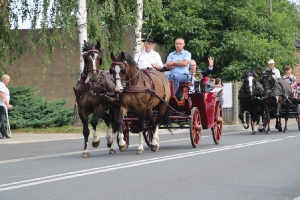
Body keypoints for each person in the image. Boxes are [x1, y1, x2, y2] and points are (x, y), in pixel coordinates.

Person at [0, 75, 13, 139]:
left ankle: (4, 134)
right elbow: (2, 94)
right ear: (5, 80)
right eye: (8, 80)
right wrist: (7, 104)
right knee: (0, 120)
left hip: (2, 105)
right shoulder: (1, 85)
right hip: (1, 105)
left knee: (1, 120)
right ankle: (3, 134)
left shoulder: (3, 85)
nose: (9, 82)